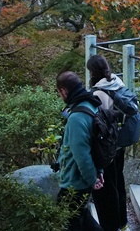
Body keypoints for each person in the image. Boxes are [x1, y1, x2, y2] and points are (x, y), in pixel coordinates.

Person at [55, 71, 104, 231]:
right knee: (83, 218)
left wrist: (92, 179)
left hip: (74, 182)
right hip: (84, 180)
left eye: (59, 93)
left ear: (63, 91)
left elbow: (81, 155)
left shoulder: (77, 117)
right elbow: (97, 144)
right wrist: (98, 172)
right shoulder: (91, 105)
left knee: (67, 222)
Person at [86, 55, 130, 231]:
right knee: (119, 182)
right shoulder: (118, 82)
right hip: (120, 142)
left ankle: (111, 226)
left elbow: (97, 122)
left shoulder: (99, 92)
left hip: (107, 147)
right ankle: (123, 222)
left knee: (107, 188)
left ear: (93, 72)